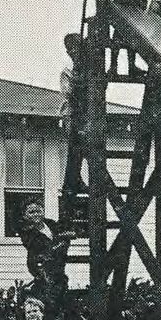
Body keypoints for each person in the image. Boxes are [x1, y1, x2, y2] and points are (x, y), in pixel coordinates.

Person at [59, 33, 89, 203]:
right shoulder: (68, 71)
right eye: (70, 49)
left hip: (85, 114)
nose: (73, 52)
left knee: (81, 150)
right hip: (73, 113)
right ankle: (72, 181)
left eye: (76, 48)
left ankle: (74, 180)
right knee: (76, 148)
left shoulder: (87, 68)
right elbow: (69, 92)